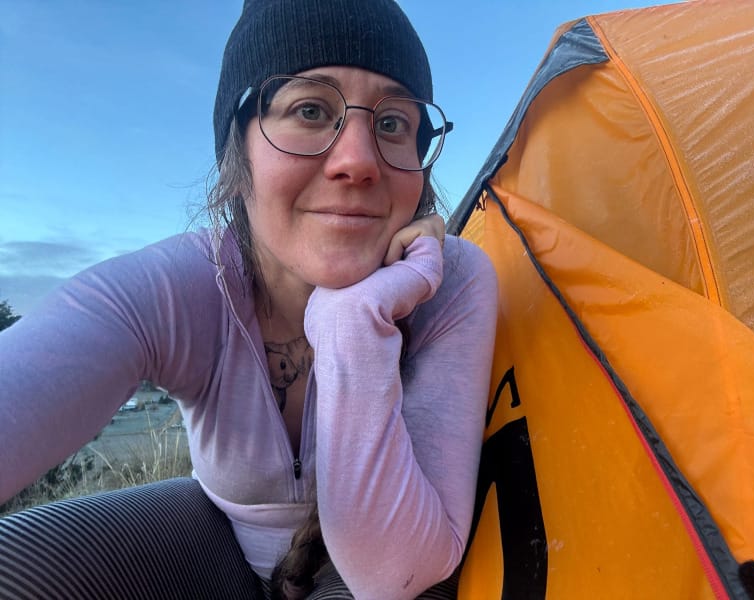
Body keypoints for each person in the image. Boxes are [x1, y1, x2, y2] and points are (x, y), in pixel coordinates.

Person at [0, 0, 498, 598]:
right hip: (222, 548)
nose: (360, 162)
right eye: (310, 110)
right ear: (237, 160)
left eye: (393, 123)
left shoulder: (451, 281)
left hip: (391, 561)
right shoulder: (189, 285)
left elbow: (399, 573)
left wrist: (351, 320)